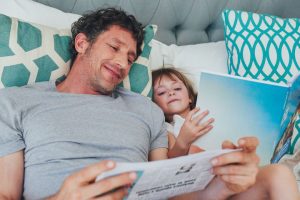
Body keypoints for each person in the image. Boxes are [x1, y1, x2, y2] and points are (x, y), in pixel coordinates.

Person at [0, 7, 260, 200]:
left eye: (130, 58)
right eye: (114, 48)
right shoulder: (16, 102)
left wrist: (227, 184)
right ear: (82, 43)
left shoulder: (146, 110)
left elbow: (168, 190)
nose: (123, 64)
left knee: (273, 176)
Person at [152, 67, 300, 200]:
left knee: (280, 174)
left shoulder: (215, 110)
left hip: (240, 177)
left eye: (177, 88)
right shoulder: (166, 129)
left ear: (190, 97)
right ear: (154, 105)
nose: (171, 92)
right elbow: (168, 168)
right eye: (162, 92)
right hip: (203, 189)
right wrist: (183, 141)